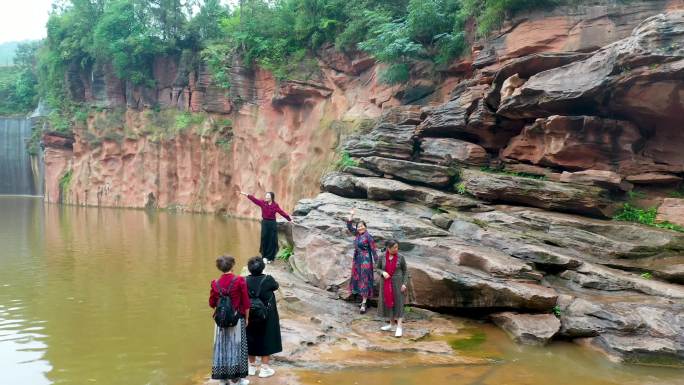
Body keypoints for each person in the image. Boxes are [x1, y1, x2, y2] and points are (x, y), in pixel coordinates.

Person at [209, 255, 251, 385]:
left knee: (222, 347)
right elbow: (246, 302)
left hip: (220, 321)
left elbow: (211, 303)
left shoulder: (215, 283)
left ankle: (223, 379)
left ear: (219, 268)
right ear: (232, 266)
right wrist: (247, 318)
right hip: (236, 319)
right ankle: (237, 379)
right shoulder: (239, 280)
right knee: (237, 346)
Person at [245, 256, 282, 378]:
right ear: (263, 268)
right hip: (266, 315)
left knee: (250, 338)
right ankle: (264, 368)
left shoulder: (244, 281)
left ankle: (251, 367)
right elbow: (276, 286)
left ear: (249, 269)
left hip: (250, 315)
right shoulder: (268, 279)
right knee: (267, 338)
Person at [240, 191, 292, 263]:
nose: (266, 197)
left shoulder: (275, 205)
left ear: (272, 197)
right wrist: (246, 195)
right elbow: (255, 200)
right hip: (265, 223)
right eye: (266, 196)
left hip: (272, 224)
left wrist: (289, 219)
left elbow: (281, 212)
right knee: (264, 239)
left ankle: (270, 258)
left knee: (272, 240)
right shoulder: (263, 203)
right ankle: (264, 257)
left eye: (268, 196)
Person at [346, 208, 378, 314]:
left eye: (362, 226)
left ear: (365, 227)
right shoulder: (358, 235)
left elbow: (373, 249)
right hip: (357, 260)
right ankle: (364, 300)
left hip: (366, 261)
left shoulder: (368, 237)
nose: (360, 228)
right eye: (359, 226)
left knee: (364, 280)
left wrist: (377, 262)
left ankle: (364, 303)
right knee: (359, 279)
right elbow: (349, 226)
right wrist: (351, 215)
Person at [376, 239, 409, 338]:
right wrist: (383, 272)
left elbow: (405, 271)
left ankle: (399, 327)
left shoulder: (401, 257)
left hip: (398, 283)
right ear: (388, 248)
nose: (396, 249)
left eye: (397, 247)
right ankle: (391, 324)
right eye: (394, 247)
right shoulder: (382, 257)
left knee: (399, 303)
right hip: (386, 283)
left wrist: (404, 284)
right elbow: (377, 268)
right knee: (389, 303)